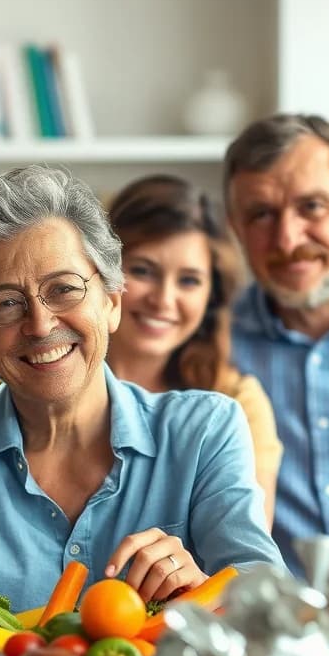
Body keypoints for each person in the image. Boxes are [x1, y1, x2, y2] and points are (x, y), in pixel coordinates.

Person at [0, 165, 283, 623]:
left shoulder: (206, 429)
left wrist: (204, 590)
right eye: (7, 304)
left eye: (63, 289)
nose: (40, 325)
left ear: (112, 301)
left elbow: (268, 597)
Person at [223, 113, 329, 649]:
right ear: (235, 227)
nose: (288, 238)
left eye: (311, 207)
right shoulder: (206, 353)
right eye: (261, 214)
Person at [105, 174, 282, 526]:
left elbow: (245, 557)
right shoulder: (48, 378)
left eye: (189, 280)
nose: (163, 300)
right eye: (142, 271)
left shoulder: (238, 402)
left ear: (211, 297)